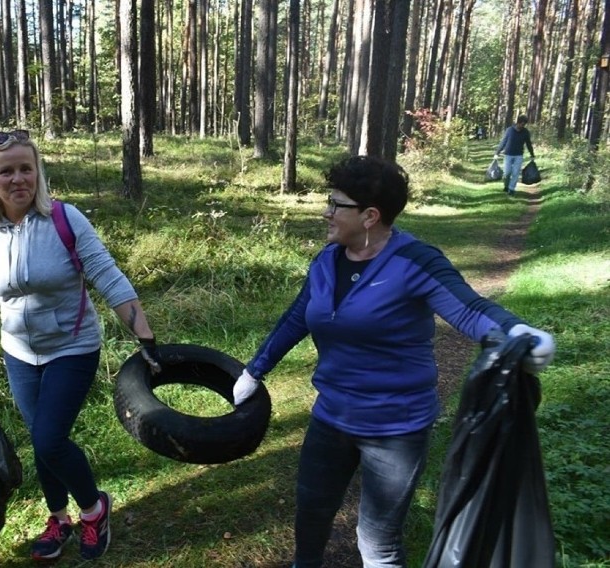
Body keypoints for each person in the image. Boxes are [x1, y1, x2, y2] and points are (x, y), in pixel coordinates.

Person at [231, 155, 555, 568]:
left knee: (377, 541)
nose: (325, 212)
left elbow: (469, 309)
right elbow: (298, 317)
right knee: (311, 512)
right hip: (330, 416)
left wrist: (517, 333)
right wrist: (254, 370)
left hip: (395, 428)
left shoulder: (414, 261)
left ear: (369, 216)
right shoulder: (326, 261)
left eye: (336, 205)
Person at [0, 129, 162, 562]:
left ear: (38, 172)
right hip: (20, 353)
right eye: (6, 171)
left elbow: (107, 275)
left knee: (48, 440)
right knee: (43, 437)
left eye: (27, 168)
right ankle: (59, 518)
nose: (18, 179)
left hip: (72, 347)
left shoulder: (65, 219)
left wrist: (145, 337)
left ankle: (94, 510)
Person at [494, 114, 535, 196]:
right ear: (518, 123)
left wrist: (532, 154)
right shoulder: (509, 130)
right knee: (507, 173)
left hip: (518, 155)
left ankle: (512, 189)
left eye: (524, 125)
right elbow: (503, 142)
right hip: (508, 155)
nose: (522, 126)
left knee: (516, 173)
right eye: (522, 124)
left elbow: (528, 144)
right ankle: (506, 186)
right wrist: (497, 153)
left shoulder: (525, 132)